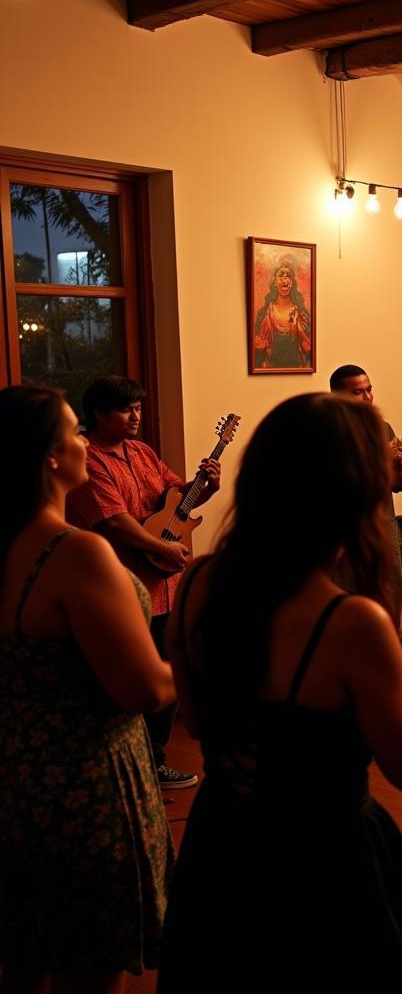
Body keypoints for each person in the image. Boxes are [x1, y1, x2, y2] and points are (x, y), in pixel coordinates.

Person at [158, 393, 402, 991]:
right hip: (326, 864)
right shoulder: (350, 623)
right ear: (354, 498)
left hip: (223, 848)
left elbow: (200, 724)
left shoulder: (200, 581)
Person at [0, 385, 175, 991]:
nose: (84, 443)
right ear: (51, 457)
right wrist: (211, 655)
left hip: (17, 774)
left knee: (26, 955)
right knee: (89, 968)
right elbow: (146, 690)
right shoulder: (78, 554)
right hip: (87, 783)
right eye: (75, 432)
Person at [66, 375, 221, 789]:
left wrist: (206, 486)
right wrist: (164, 548)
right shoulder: (89, 461)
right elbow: (114, 522)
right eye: (125, 409)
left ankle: (155, 758)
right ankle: (132, 766)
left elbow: (177, 499)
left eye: (138, 408)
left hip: (168, 586)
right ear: (99, 414)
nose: (135, 416)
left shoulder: (143, 452)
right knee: (134, 680)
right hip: (125, 587)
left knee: (170, 666)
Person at [330, 364, 402, 622]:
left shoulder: (382, 429)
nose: (367, 398)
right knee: (346, 615)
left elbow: (400, 484)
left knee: (388, 612)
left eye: (369, 390)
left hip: (382, 533)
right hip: (343, 539)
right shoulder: (325, 432)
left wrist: (397, 466)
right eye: (358, 392)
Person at [252, 258, 312, 369]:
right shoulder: (265, 313)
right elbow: (257, 352)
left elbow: (309, 349)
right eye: (281, 275)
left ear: (292, 283)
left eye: (288, 276)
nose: (285, 279)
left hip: (297, 369)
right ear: (274, 282)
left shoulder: (301, 313)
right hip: (269, 370)